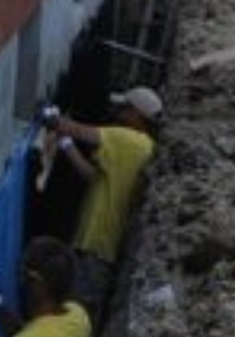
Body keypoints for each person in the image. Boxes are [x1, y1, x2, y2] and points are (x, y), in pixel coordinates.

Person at [42, 87, 161, 318]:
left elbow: (76, 129)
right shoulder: (143, 148)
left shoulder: (128, 140)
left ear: (138, 115)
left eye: (125, 109)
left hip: (97, 248)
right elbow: (93, 177)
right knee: (77, 312)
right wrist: (66, 145)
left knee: (76, 313)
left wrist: (49, 116)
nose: (119, 113)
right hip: (96, 247)